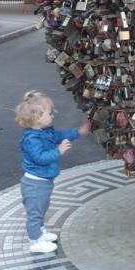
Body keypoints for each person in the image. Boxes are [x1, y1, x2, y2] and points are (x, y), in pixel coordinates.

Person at [15, 90, 90, 254]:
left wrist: (78, 132)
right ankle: (35, 241)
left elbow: (60, 135)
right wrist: (58, 151)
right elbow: (40, 158)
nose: (53, 116)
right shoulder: (31, 139)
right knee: (35, 212)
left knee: (41, 208)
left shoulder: (45, 131)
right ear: (37, 117)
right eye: (50, 113)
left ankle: (40, 232)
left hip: (43, 181)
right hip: (34, 183)